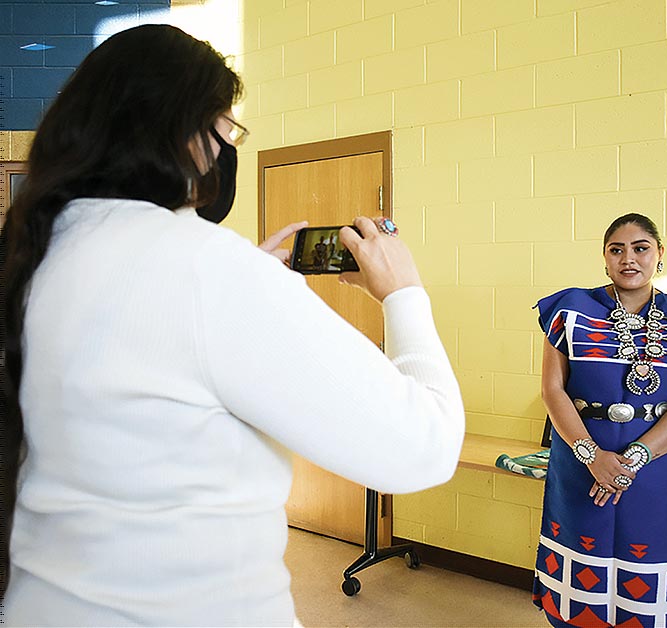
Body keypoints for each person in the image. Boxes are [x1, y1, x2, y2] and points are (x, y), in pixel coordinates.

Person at [0, 24, 464, 626]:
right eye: (226, 128)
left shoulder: (43, 254)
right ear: (182, 132)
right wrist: (404, 293)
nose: (228, 148)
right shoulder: (211, 271)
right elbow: (422, 448)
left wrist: (243, 273)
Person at [532, 213, 667, 627]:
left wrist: (632, 460)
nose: (628, 258)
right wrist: (593, 456)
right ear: (605, 258)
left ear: (659, 254)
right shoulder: (569, 309)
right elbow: (553, 390)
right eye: (617, 249)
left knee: (647, 564)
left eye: (640, 248)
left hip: (656, 469)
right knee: (581, 563)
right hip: (580, 465)